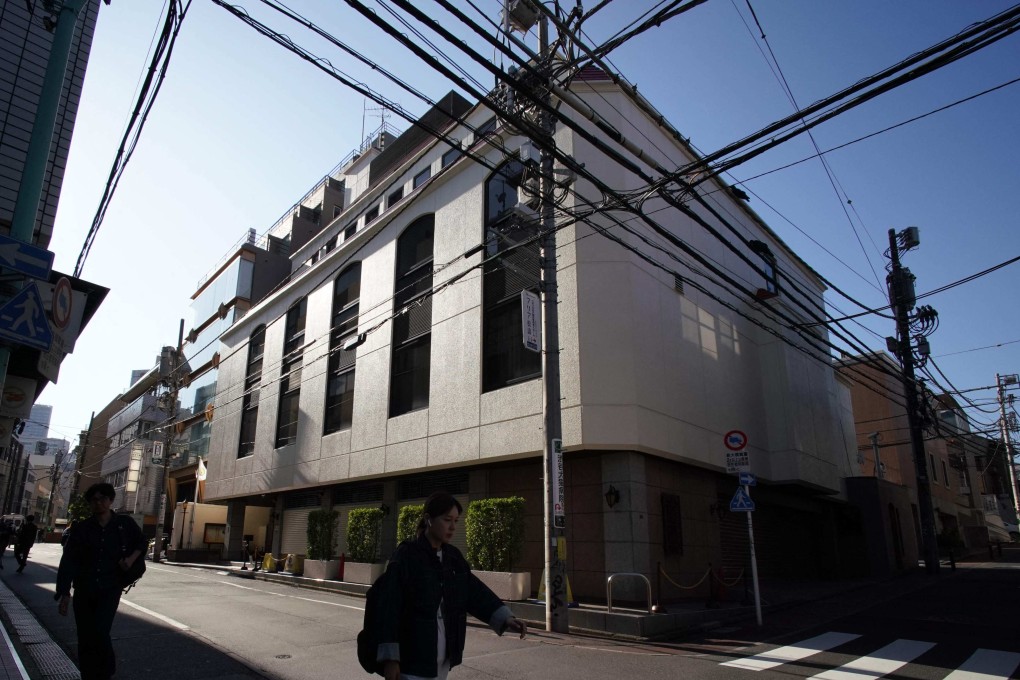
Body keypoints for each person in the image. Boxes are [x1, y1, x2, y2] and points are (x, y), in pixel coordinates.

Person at [375, 491, 527, 680]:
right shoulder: (406, 555)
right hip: (412, 661)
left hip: (443, 661)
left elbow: (474, 592)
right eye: (447, 520)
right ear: (428, 519)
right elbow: (390, 607)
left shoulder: (453, 558)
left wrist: (505, 618)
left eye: (456, 520)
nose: (453, 527)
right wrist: (391, 659)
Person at [55, 483, 146, 680]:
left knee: (100, 630)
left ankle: (105, 672)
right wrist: (63, 592)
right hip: (84, 588)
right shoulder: (82, 528)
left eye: (102, 499)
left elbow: (142, 542)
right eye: (94, 500)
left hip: (110, 587)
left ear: (111, 500)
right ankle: (88, 674)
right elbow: (69, 560)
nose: (98, 503)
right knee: (85, 634)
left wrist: (130, 560)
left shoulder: (124, 524)